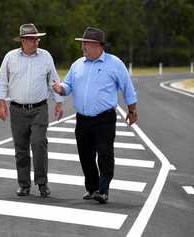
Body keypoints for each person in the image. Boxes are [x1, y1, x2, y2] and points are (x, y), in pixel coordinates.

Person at [52, 27, 138, 204]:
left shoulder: (115, 64)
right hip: (82, 119)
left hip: (104, 119)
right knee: (85, 155)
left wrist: (132, 111)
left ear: (98, 46)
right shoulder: (77, 65)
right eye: (82, 43)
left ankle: (103, 190)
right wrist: (60, 88)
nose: (83, 47)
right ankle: (92, 188)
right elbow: (68, 85)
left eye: (87, 44)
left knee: (105, 153)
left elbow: (128, 89)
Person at [0, 23, 64, 197]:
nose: (36, 42)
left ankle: (42, 183)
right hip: (17, 110)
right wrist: (1, 103)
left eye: (37, 39)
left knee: (39, 143)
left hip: (39, 108)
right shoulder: (10, 57)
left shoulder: (45, 57)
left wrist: (59, 102)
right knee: (21, 148)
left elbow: (53, 80)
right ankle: (23, 184)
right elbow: (2, 80)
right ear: (23, 41)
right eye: (32, 39)